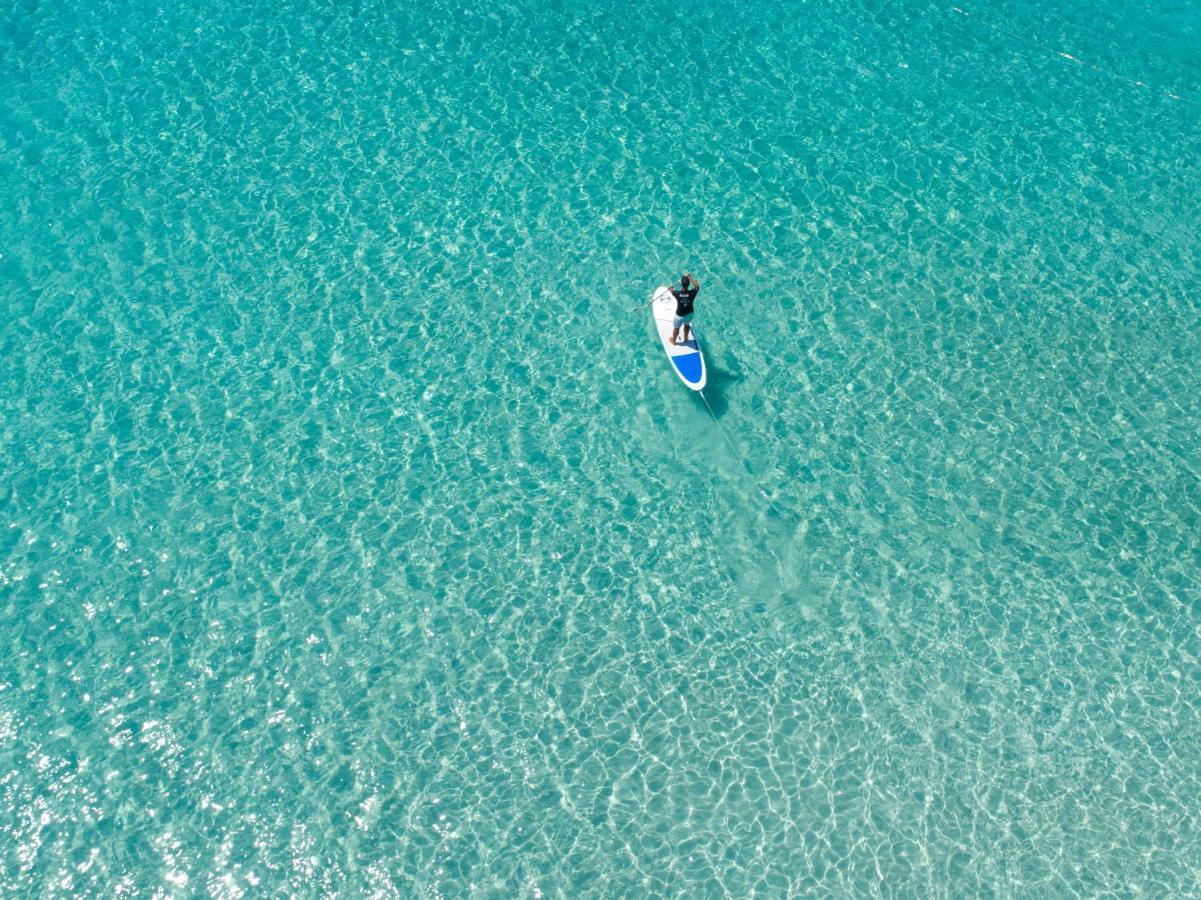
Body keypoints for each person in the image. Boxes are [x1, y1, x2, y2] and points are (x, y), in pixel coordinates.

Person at [670, 273, 699, 345]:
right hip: (689, 313)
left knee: (676, 328)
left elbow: (671, 290)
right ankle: (686, 338)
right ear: (688, 284)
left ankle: (673, 341)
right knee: (687, 325)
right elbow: (697, 286)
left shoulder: (677, 293)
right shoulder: (692, 293)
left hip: (679, 315)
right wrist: (689, 277)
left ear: (681, 284)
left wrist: (670, 288)